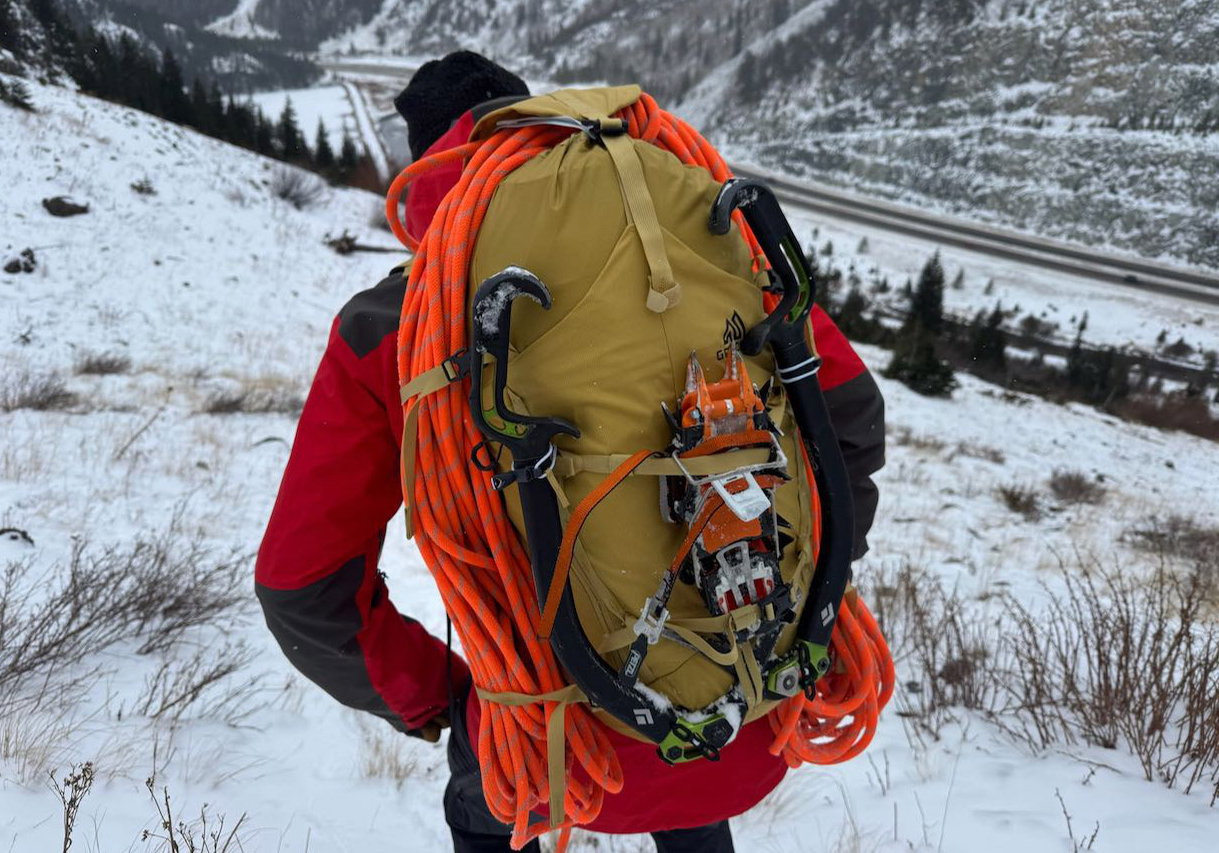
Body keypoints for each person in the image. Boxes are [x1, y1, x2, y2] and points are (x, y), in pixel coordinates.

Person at [255, 51, 886, 853]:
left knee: (488, 797)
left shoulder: (396, 324)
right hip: (750, 718)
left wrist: (454, 698)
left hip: (539, 744)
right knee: (690, 726)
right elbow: (853, 418)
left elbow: (302, 591)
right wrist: (799, 597)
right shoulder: (711, 251)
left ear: (429, 168)